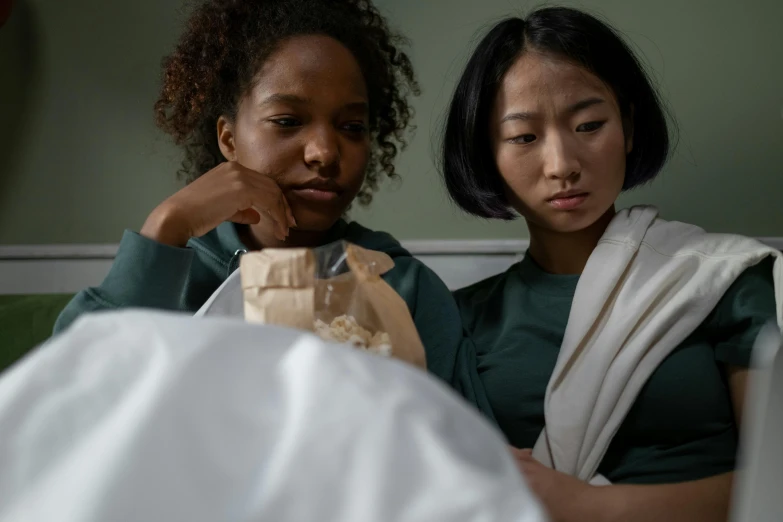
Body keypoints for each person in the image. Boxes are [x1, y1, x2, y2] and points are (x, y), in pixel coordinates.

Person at [441, 6, 781, 521]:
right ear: (487, 155)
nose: (562, 165)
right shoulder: (458, 320)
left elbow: (777, 482)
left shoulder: (724, 280)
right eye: (524, 137)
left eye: (589, 124)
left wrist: (592, 506)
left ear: (629, 126)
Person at [53, 0, 462, 384]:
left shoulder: (405, 287)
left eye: (352, 127)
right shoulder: (173, 275)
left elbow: (462, 439)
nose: (324, 152)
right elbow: (66, 393)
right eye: (287, 121)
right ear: (228, 140)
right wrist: (167, 225)